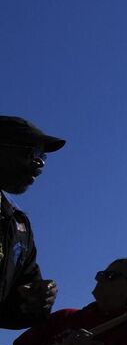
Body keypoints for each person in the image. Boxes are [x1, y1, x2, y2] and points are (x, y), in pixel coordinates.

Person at [0, 117, 63, 328]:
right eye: (31, 153)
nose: (39, 164)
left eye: (42, 156)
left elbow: (11, 307)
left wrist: (37, 300)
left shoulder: (18, 225)